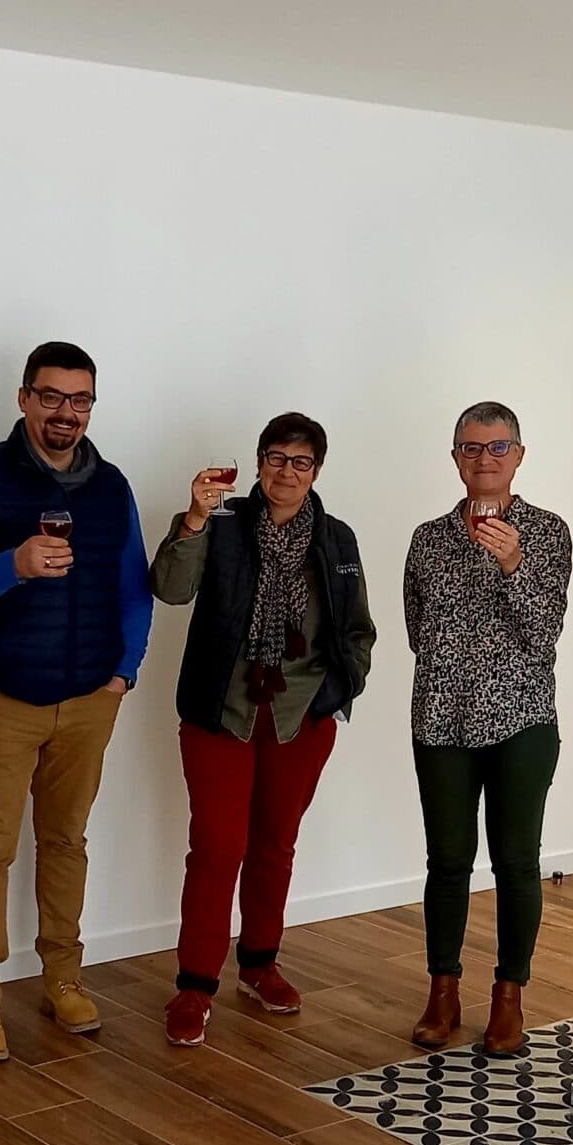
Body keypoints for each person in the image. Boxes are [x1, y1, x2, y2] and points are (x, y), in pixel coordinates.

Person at [0, 341, 153, 1063]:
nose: (65, 413)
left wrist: (124, 673)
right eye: (51, 396)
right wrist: (13, 565)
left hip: (91, 699)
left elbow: (133, 590)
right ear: (24, 398)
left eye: (79, 400)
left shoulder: (112, 487)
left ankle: (64, 977)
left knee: (66, 843)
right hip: (1, 697)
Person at [150, 414, 375, 1046]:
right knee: (219, 849)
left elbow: (357, 627)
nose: (286, 472)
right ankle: (194, 986)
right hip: (222, 715)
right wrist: (192, 519)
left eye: (300, 462)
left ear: (316, 471)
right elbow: (168, 588)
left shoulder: (336, 540)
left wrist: (341, 685)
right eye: (276, 458)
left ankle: (259, 964)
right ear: (258, 463)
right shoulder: (221, 530)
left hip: (300, 718)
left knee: (276, 845)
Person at [403, 402, 572, 1057]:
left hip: (522, 719)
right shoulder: (427, 538)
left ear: (519, 456)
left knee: (516, 862)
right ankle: (442, 993)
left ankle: (509, 999)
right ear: (455, 458)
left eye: (498, 447)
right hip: (441, 719)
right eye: (471, 448)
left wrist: (513, 567)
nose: (484, 459)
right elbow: (419, 632)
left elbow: (545, 630)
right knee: (447, 863)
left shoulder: (547, 533)